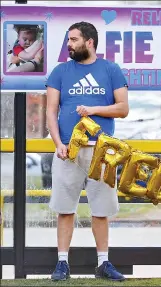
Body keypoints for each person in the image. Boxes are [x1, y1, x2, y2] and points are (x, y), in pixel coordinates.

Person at [46, 21, 129, 281]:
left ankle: (103, 263)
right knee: (65, 208)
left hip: (102, 151)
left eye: (73, 40)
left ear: (89, 42)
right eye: (68, 40)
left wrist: (93, 110)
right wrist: (58, 144)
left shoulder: (111, 69)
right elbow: (50, 110)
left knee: (101, 209)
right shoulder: (60, 71)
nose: (68, 45)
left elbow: (123, 108)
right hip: (68, 150)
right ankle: (62, 264)